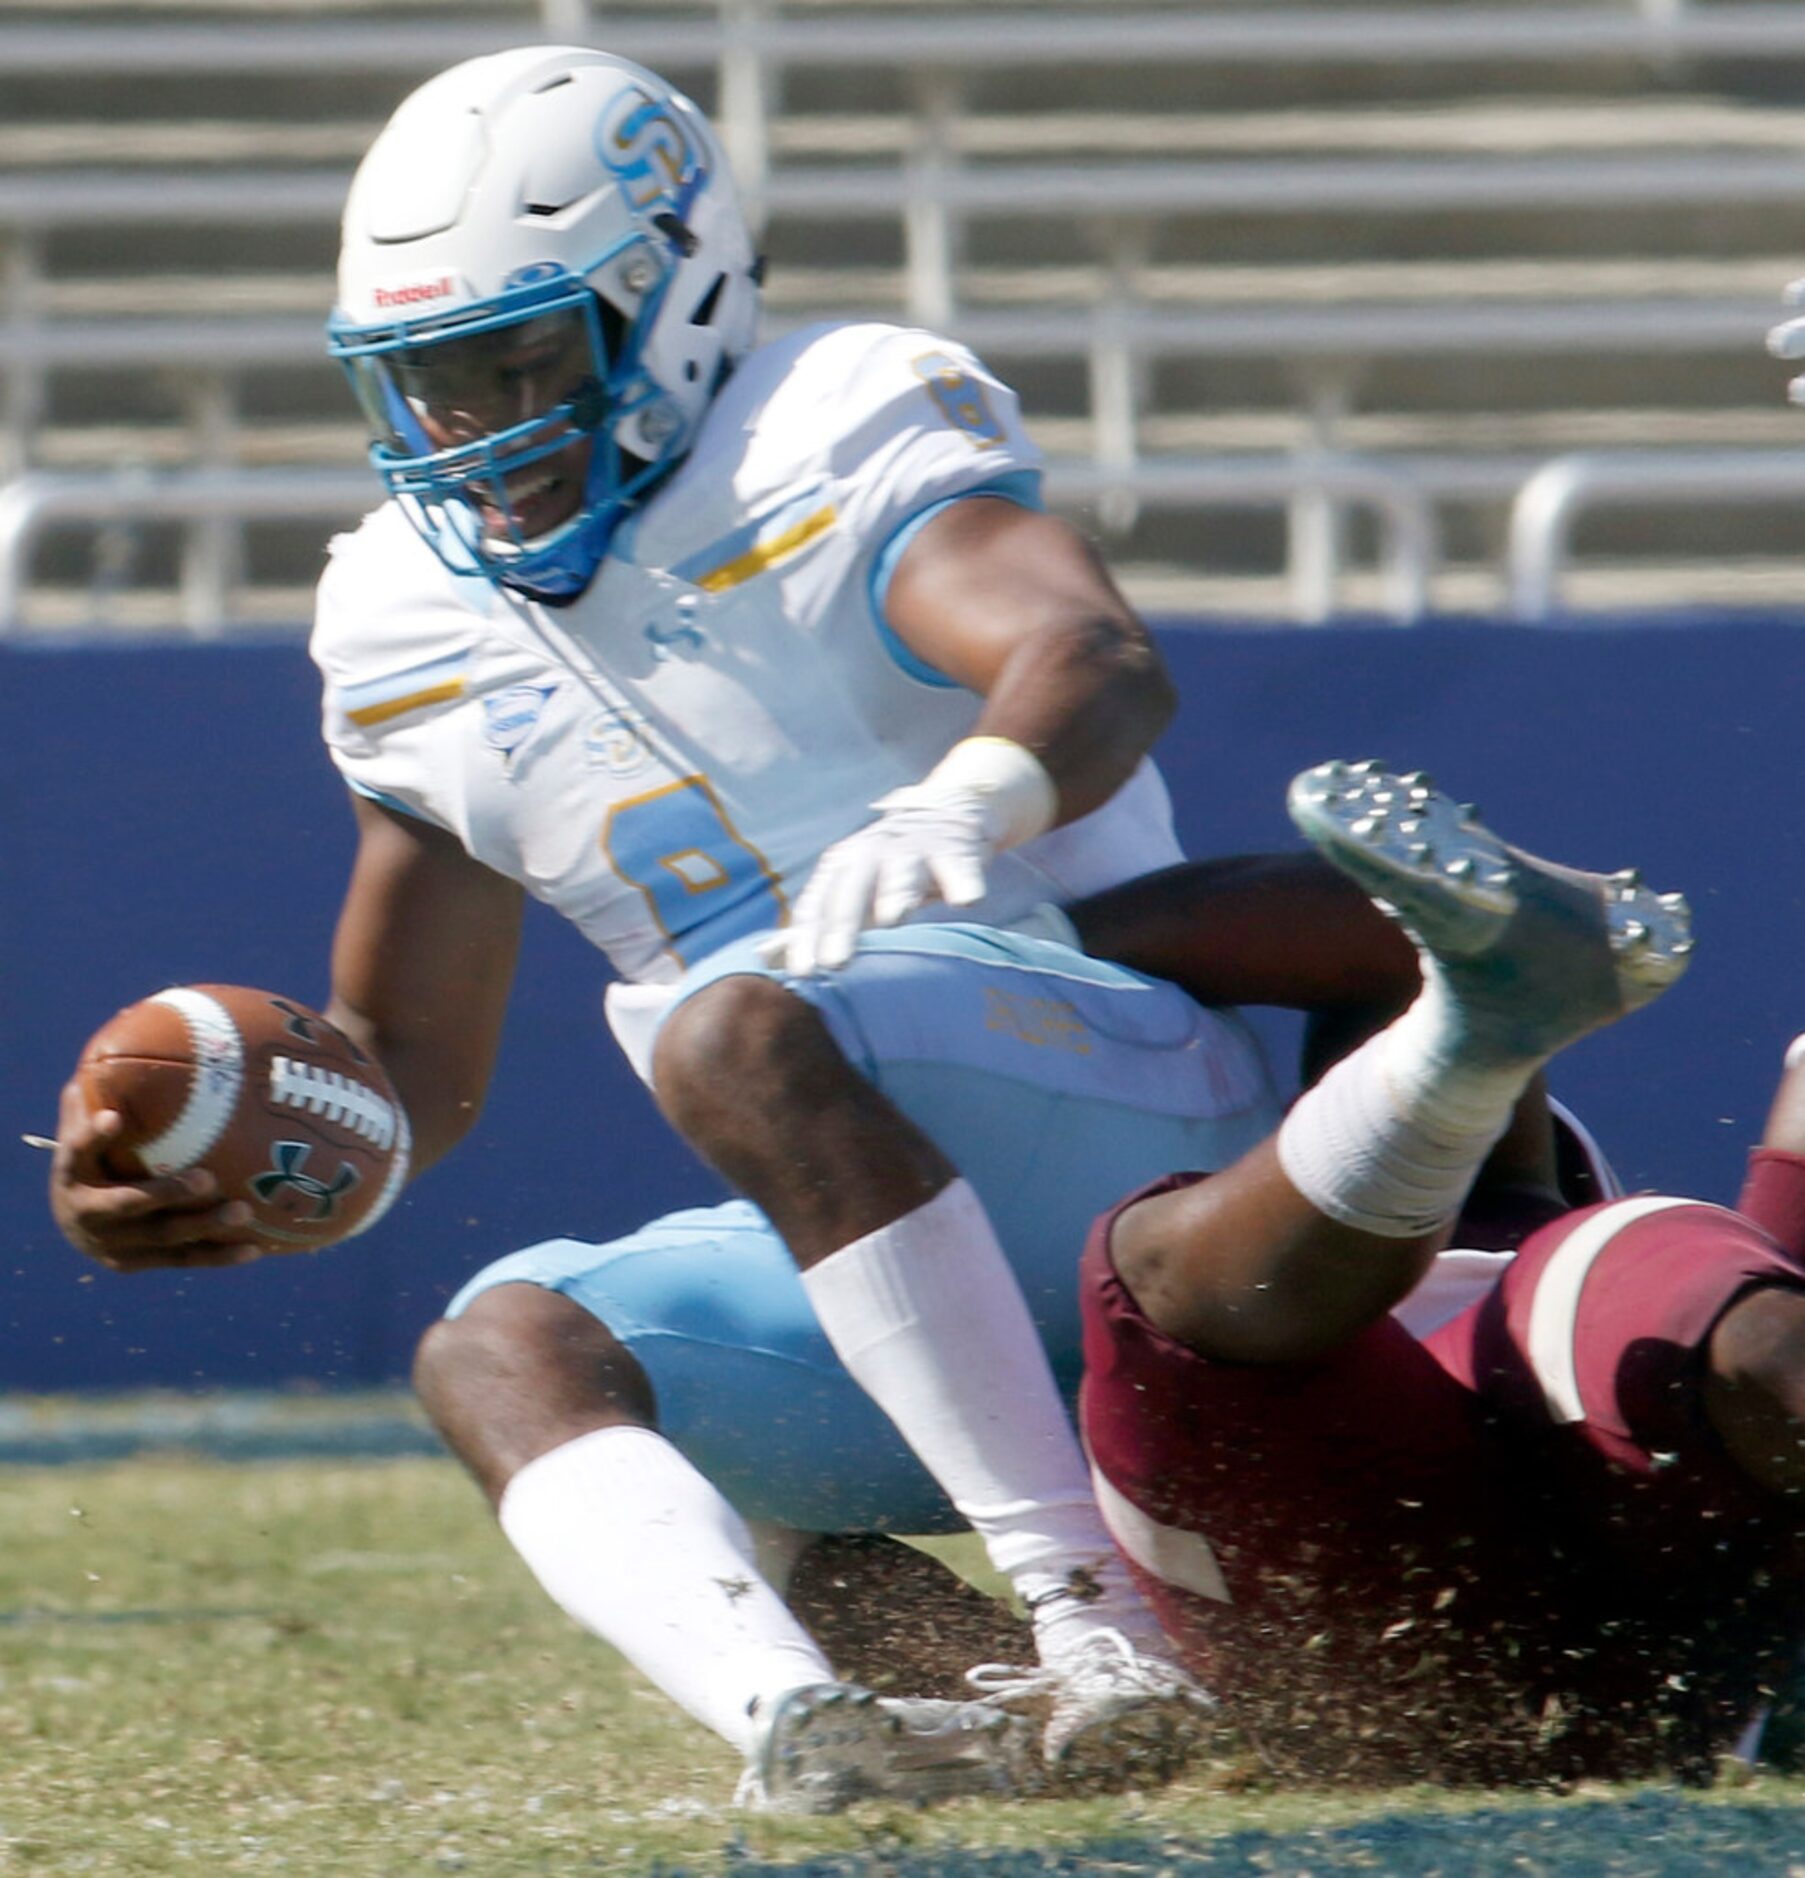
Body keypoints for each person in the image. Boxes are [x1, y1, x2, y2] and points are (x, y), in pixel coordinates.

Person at [47, 44, 1421, 1813]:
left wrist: (965, 801)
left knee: (738, 1020)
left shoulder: (824, 421)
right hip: (852, 1217)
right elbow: (405, 1064)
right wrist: (248, 1164)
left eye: (513, 361)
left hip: (1133, 1114)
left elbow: (1089, 655)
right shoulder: (401, 616)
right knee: (504, 1344)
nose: (473, 428)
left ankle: (1101, 1614)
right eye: (426, 384)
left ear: (672, 304)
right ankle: (824, 1720)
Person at [1073, 758, 1805, 1786]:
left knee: (1154, 1274)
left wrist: (1004, 949)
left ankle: (1466, 1045)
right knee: (1171, 1280)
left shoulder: (1587, 1260)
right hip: (1437, 1619)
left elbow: (1372, 929)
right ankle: (1466, 1044)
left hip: (1456, 1639)